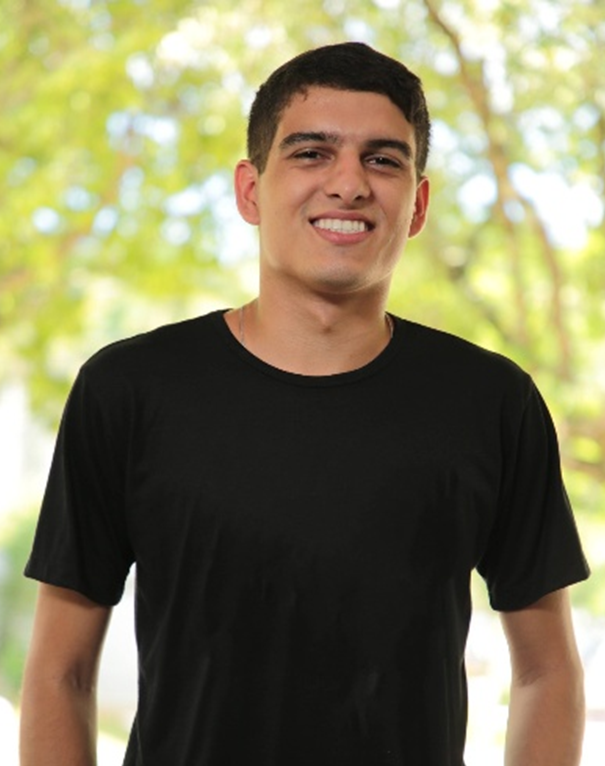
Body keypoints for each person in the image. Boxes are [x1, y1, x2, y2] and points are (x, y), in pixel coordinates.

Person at [20, 42, 589, 766]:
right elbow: (60, 671)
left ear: (416, 204)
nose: (349, 184)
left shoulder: (491, 402)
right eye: (312, 153)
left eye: (382, 160)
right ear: (250, 191)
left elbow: (547, 670)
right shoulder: (128, 390)